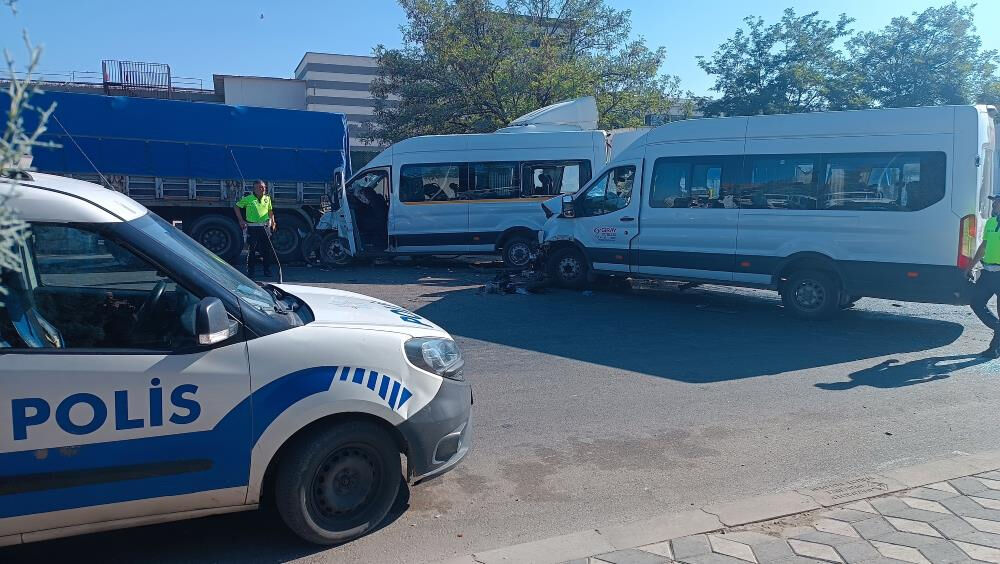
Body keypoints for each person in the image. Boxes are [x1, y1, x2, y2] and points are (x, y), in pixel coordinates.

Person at [966, 195, 1000, 357]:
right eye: (994, 202)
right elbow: (984, 246)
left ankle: (994, 349)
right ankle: (998, 328)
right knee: (976, 302)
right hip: (987, 273)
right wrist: (971, 266)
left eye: (997, 202)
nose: (994, 205)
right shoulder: (991, 222)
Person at [234, 180, 277, 277]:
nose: (261, 189)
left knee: (266, 250)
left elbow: (270, 210)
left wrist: (273, 221)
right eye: (259, 187)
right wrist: (241, 220)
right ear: (254, 189)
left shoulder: (267, 198)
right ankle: (251, 271)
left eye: (263, 187)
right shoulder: (248, 198)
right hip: (253, 227)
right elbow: (236, 206)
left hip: (265, 227)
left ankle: (267, 270)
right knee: (252, 250)